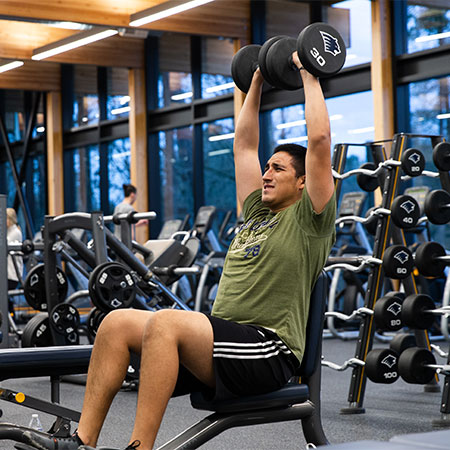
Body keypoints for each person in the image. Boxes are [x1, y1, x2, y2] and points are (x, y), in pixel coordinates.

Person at [24, 51, 336, 450]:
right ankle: (82, 441)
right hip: (224, 344)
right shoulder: (256, 211)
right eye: (268, 166)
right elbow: (244, 146)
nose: (266, 173)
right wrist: (256, 81)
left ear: (303, 182)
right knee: (116, 323)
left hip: (266, 349)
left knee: (165, 323)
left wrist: (308, 72)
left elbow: (320, 140)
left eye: (278, 169)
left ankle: (140, 447)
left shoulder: (310, 220)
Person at [6, 208, 24, 319]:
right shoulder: (9, 231)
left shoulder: (15, 232)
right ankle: (10, 322)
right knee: (6, 298)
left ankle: (9, 322)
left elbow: (4, 244)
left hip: (12, 275)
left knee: (5, 296)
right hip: (7, 274)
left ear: (10, 219)